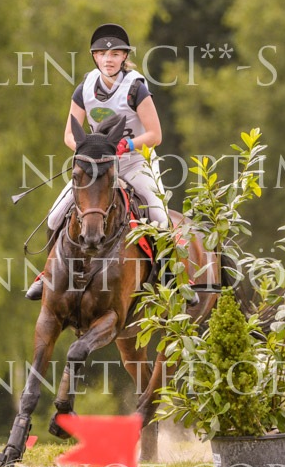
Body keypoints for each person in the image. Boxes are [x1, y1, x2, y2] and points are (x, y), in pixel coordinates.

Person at [26, 23, 198, 304]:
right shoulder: (84, 89)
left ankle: (174, 277)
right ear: (95, 57)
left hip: (136, 162)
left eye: (115, 54)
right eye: (103, 54)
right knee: (56, 215)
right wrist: (88, 150)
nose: (109, 59)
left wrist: (126, 145)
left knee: (158, 216)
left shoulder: (136, 89)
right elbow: (69, 134)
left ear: (124, 57)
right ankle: (47, 274)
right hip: (98, 166)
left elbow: (156, 135)